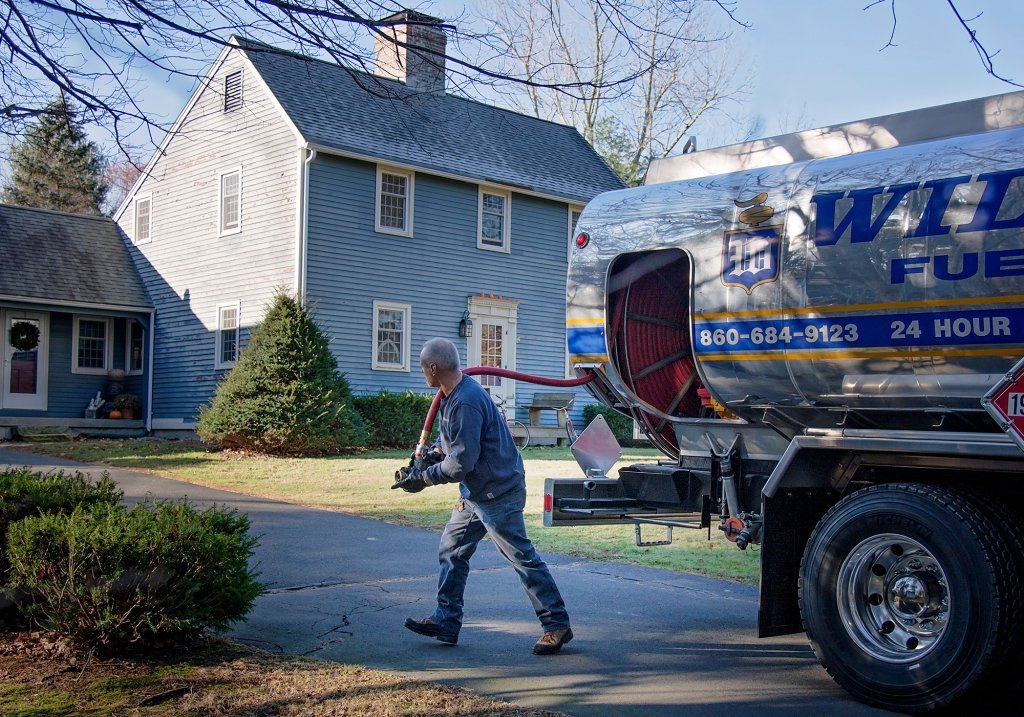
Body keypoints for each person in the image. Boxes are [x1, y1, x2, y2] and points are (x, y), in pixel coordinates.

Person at [392, 337, 573, 655]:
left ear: (433, 368)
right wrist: (430, 457)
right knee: (452, 551)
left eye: (422, 368)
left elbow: (460, 464)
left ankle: (556, 624)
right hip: (476, 492)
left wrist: (423, 479)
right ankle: (446, 621)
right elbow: (450, 445)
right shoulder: (450, 396)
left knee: (521, 557)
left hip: (498, 492)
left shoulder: (466, 401)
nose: (422, 373)